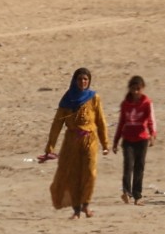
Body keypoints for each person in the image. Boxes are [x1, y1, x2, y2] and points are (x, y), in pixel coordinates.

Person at [46, 68, 109, 218]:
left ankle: (86, 205)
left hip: (90, 139)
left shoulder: (94, 98)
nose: (83, 82)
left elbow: (101, 121)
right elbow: (57, 124)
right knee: (73, 174)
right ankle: (76, 209)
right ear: (75, 81)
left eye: (85, 79)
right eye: (80, 79)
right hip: (72, 140)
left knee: (90, 172)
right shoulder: (67, 100)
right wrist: (50, 146)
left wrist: (105, 143)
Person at [115, 76, 156, 205]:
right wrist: (116, 141)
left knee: (139, 167)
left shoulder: (147, 103)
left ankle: (137, 195)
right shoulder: (125, 104)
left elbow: (151, 120)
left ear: (142, 88)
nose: (136, 92)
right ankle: (126, 192)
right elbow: (121, 122)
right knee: (128, 166)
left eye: (138, 89)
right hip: (128, 139)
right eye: (133, 89)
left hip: (142, 139)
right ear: (130, 89)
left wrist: (153, 134)